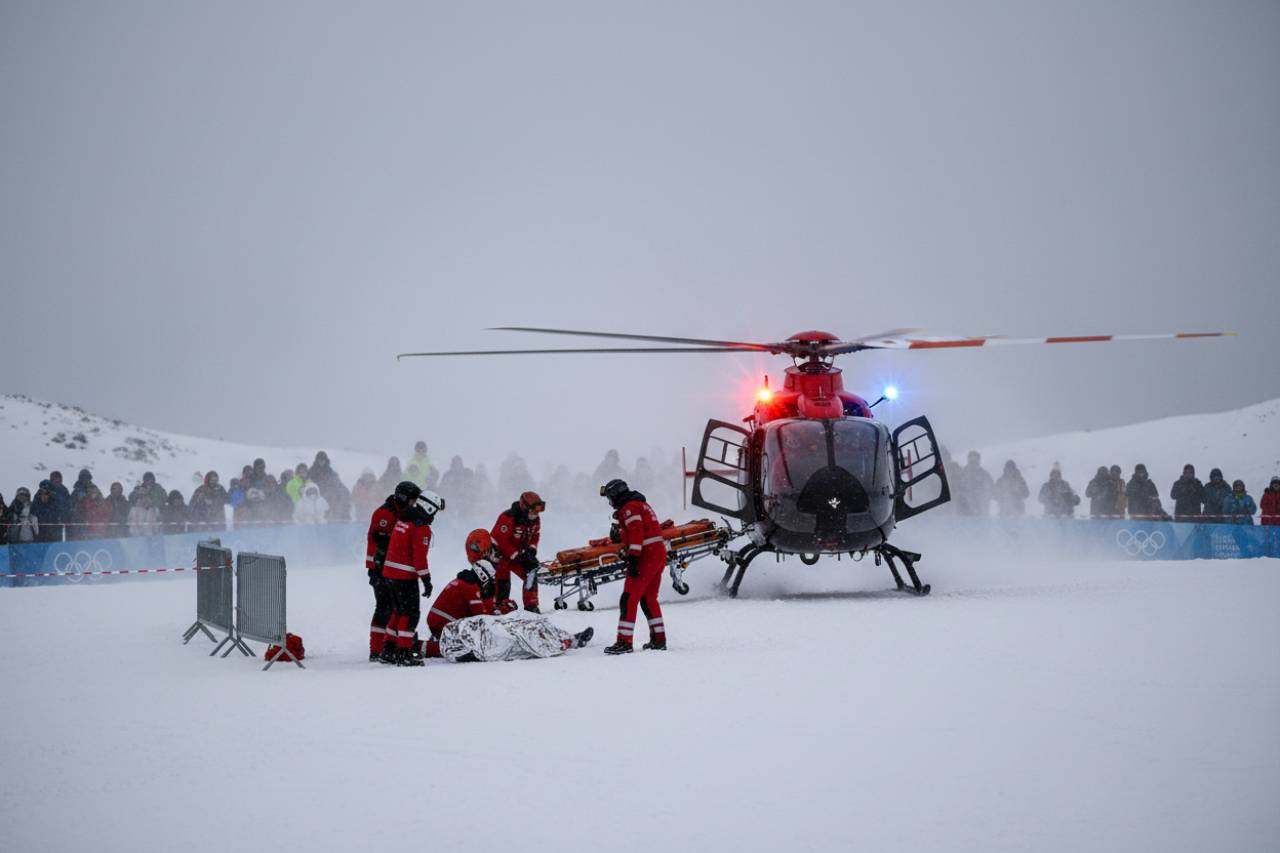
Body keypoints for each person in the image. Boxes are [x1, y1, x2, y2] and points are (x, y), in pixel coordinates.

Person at [601, 478, 667, 655]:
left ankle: (624, 641)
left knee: (629, 598)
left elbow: (637, 534)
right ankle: (659, 639)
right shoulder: (640, 504)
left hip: (646, 557)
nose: (610, 502)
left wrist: (633, 559)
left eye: (610, 498)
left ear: (616, 495)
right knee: (648, 599)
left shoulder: (629, 508)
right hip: (657, 554)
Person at [380, 488, 445, 666]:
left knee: (398, 612)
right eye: (435, 512)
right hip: (404, 576)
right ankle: (404, 652)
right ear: (429, 508)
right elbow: (419, 558)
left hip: (389, 573)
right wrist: (426, 580)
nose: (434, 516)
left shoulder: (403, 519)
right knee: (411, 614)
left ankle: (388, 649)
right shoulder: (421, 527)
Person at [420, 529, 499, 658]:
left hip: (440, 621)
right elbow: (483, 618)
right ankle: (420, 647)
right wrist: (501, 611)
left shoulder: (466, 581)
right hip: (444, 623)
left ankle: (434, 642)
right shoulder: (471, 588)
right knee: (466, 648)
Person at [365, 481, 419, 662]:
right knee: (384, 607)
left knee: (396, 607)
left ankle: (391, 645)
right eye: (412, 500)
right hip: (379, 568)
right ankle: (376, 649)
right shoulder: (385, 514)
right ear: (403, 498)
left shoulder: (400, 512)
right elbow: (379, 538)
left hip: (390, 568)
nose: (414, 504)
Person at [490, 491, 546, 614]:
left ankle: (531, 606)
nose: (536, 514)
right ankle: (500, 606)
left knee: (531, 573)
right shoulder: (508, 518)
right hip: (499, 555)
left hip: (518, 555)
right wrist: (517, 555)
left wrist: (531, 550)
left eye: (538, 511)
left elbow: (535, 535)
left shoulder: (535, 520)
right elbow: (501, 541)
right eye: (534, 510)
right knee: (502, 578)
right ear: (525, 507)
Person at [954, 451, 994, 517]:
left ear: (978, 461)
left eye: (975, 461)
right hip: (964, 508)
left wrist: (983, 497)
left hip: (980, 509)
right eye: (971, 461)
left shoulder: (984, 474)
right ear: (968, 460)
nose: (973, 463)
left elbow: (990, 489)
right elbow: (957, 488)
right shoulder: (962, 473)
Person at [46, 470, 70, 541]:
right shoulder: (45, 489)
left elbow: (68, 504)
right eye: (54, 479)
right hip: (47, 523)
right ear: (51, 480)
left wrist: (65, 516)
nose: (56, 481)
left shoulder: (64, 490)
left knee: (59, 541)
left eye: (58, 479)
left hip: (60, 522)